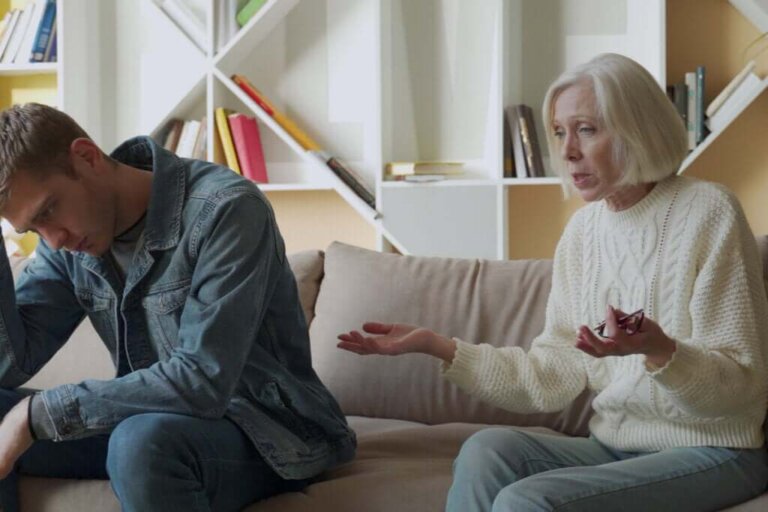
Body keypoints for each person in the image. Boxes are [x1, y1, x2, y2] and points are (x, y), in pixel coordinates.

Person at [337, 53, 768, 511]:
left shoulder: (708, 211)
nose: (567, 151)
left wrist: (661, 350)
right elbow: (550, 377)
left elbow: (739, 387)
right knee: (487, 450)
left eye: (586, 129)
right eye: (560, 132)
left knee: (530, 501)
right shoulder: (583, 233)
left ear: (637, 129)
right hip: (616, 447)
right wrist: (437, 346)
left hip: (714, 450)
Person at [0, 103, 355, 512]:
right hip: (149, 422)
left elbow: (202, 381)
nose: (53, 239)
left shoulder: (226, 208)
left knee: (141, 442)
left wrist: (39, 412)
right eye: (34, 228)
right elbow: (9, 365)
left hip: (267, 430)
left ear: (86, 157)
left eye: (48, 210)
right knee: (138, 434)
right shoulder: (67, 244)